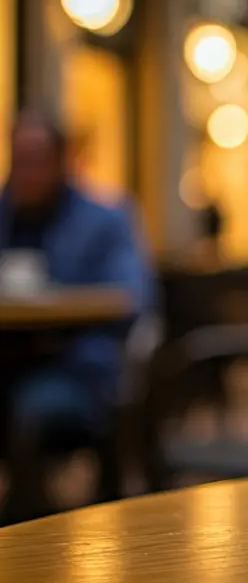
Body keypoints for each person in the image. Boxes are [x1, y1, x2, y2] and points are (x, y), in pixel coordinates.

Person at [0, 111, 152, 524]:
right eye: (18, 159)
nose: (25, 172)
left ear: (61, 160)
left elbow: (131, 299)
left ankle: (27, 524)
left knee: (25, 406)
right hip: (8, 360)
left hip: (78, 368)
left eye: (36, 159)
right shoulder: (4, 215)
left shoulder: (104, 219)